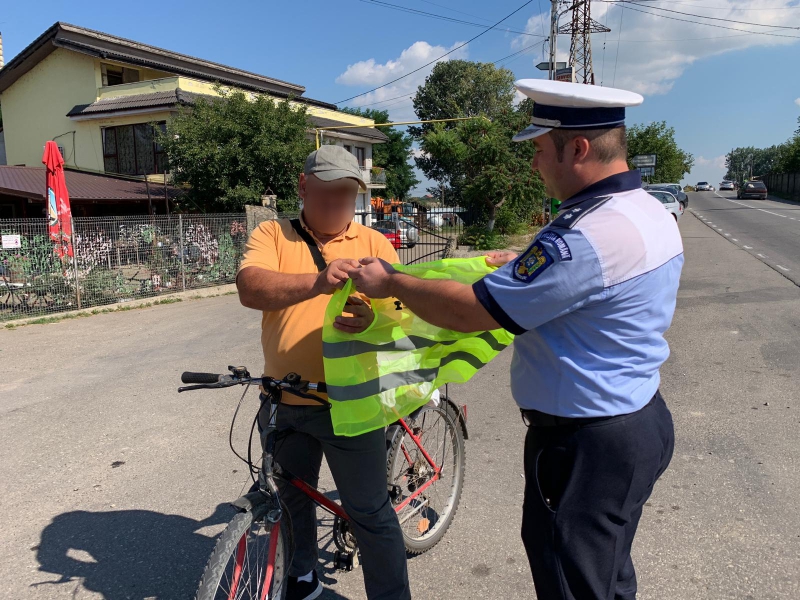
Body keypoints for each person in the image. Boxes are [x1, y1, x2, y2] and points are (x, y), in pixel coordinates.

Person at [347, 79, 682, 600]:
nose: (533, 164)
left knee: (572, 580)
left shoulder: (585, 237)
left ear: (578, 148)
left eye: (540, 150)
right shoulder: (645, 209)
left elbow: (471, 312)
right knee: (607, 573)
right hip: (637, 419)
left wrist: (391, 282)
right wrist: (520, 265)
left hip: (586, 445)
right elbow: (575, 286)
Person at [236, 145, 410, 600]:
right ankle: (302, 576)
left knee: (369, 512)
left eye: (346, 193)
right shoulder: (273, 234)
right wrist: (317, 282)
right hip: (284, 400)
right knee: (293, 500)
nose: (336, 202)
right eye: (326, 191)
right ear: (303, 186)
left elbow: (403, 313)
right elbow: (250, 288)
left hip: (351, 402)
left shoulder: (374, 244)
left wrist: (374, 320)